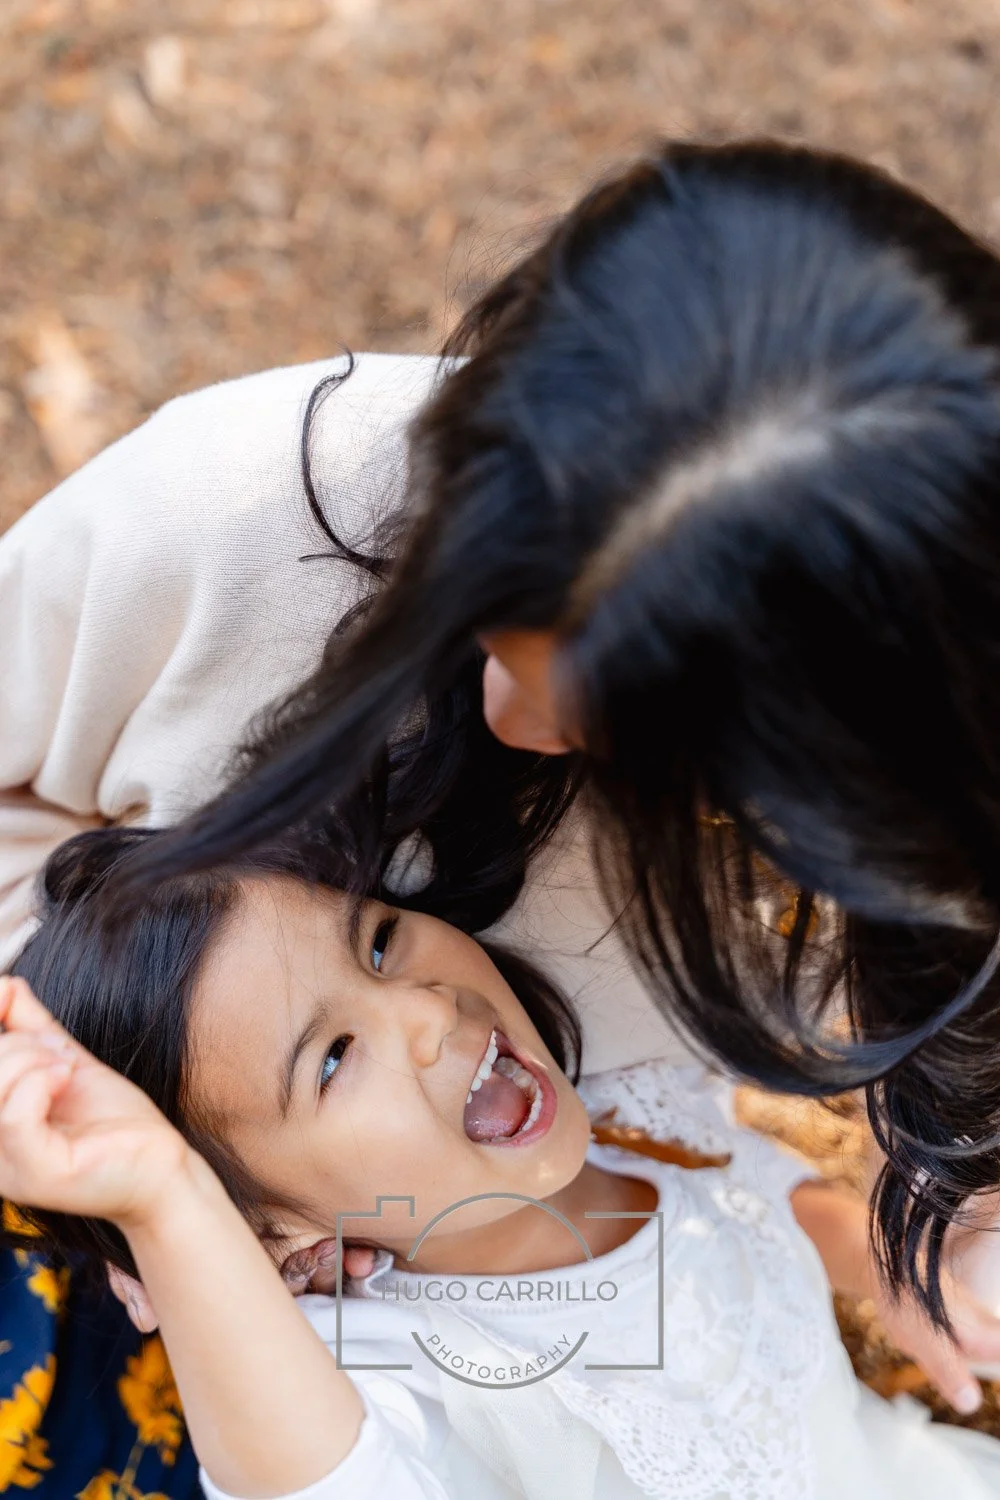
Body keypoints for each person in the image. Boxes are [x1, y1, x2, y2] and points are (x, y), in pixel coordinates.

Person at [89, 139, 1000, 1327]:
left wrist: (940, 1218)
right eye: (483, 621)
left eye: (619, 718)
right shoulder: (219, 516)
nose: (502, 720)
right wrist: (175, 1174)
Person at [4, 829, 1000, 1500]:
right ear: (269, 1228)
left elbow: (754, 1201)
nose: (430, 1011)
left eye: (381, 942)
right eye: (335, 1056)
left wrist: (882, 1269)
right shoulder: (378, 1357)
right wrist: (167, 1205)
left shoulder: (630, 1112)